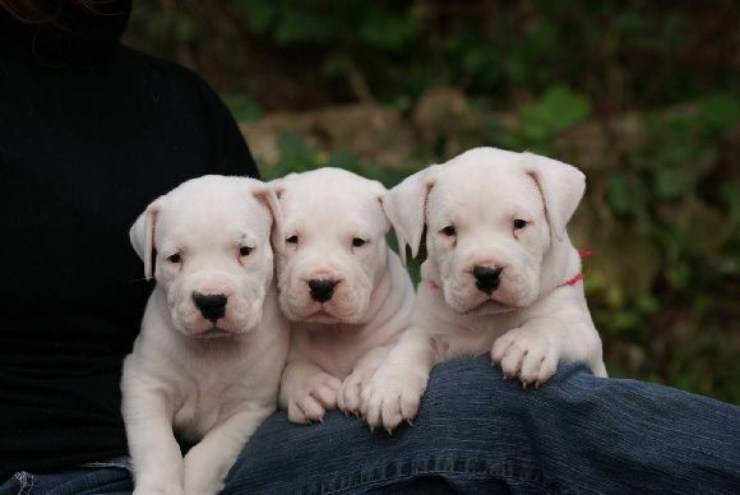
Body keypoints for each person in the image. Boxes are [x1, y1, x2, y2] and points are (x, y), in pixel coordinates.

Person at [1, 2, 739, 494]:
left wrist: (293, 380)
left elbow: (284, 290)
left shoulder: (181, 101)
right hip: (50, 469)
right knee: (498, 409)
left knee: (508, 397)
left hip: (244, 441)